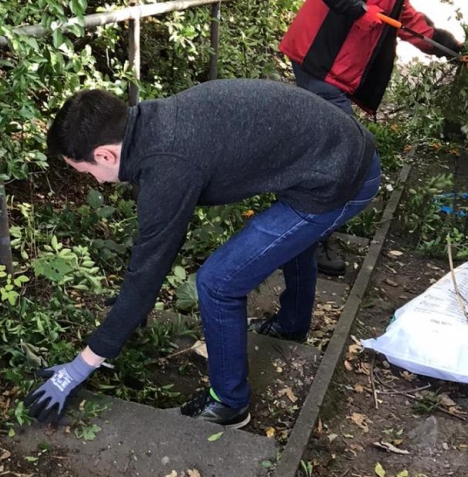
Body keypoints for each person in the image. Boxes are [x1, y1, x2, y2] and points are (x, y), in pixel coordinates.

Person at [25, 79, 381, 428]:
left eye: (88, 172)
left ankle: (229, 404)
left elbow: (147, 272)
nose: (96, 182)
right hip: (334, 149)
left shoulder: (168, 164)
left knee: (217, 282)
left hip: (341, 179)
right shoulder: (151, 123)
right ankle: (290, 327)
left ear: (104, 154)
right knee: (290, 238)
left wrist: (80, 365)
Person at [280, 0, 463, 274]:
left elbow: (407, 20)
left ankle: (297, 230)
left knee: (322, 149)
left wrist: (450, 48)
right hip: (318, 61)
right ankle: (306, 238)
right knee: (342, 156)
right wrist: (358, 9)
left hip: (331, 70)